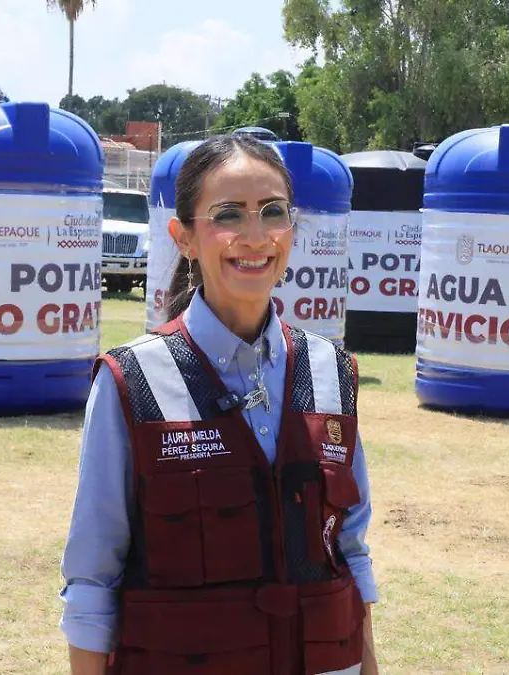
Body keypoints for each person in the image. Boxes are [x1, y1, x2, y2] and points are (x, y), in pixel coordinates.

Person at [59, 134, 380, 675]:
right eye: (227, 215)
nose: (255, 237)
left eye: (273, 212)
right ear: (183, 238)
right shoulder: (132, 380)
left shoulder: (330, 370)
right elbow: (93, 577)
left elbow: (347, 549)